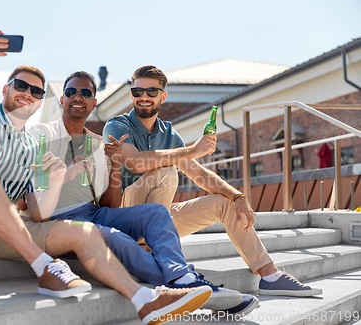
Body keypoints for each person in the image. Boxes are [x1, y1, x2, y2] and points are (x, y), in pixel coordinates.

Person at [0, 30, 211, 325]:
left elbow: (38, 210)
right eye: (20, 86)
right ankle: (45, 268)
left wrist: (62, 177)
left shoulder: (30, 145)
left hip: (4, 231)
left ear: (41, 102)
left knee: (85, 232)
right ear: (5, 89)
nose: (28, 93)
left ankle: (147, 300)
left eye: (37, 91)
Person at [25, 71, 257, 316]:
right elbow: (37, 199)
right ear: (62, 99)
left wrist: (115, 166)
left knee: (156, 213)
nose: (77, 97)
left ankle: (183, 277)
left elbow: (109, 206)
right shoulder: (43, 135)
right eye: (70, 92)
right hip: (63, 220)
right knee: (114, 237)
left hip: (95, 213)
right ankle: (191, 286)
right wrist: (66, 174)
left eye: (86, 93)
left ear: (94, 103)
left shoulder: (97, 145)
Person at [102, 65, 323, 298]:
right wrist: (191, 150)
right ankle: (147, 252)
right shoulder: (118, 125)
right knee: (165, 171)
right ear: (131, 94)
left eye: (151, 92)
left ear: (163, 96)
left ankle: (270, 276)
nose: (143, 97)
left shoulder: (167, 132)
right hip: (124, 219)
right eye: (137, 92)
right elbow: (135, 163)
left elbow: (200, 175)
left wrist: (238, 196)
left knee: (224, 202)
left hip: (156, 222)